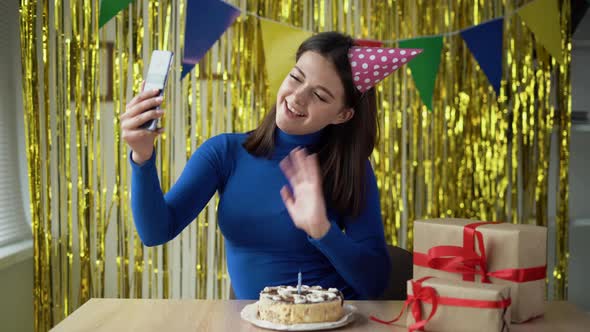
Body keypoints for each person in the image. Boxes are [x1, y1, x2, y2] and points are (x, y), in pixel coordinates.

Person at [121, 31, 421, 300]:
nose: (297, 97)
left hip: (332, 322)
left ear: (342, 115)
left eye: (319, 95)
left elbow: (376, 283)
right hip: (255, 322)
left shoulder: (351, 168)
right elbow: (155, 232)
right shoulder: (224, 152)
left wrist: (321, 229)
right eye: (296, 77)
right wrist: (142, 158)